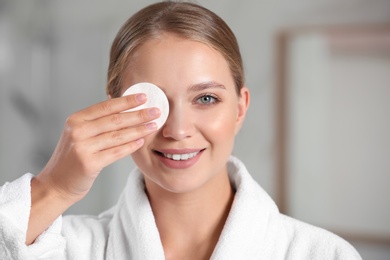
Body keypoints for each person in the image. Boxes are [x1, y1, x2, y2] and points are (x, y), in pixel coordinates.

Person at [0, 1, 361, 259]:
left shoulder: (321, 253)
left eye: (205, 98)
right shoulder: (67, 248)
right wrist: (55, 188)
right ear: (114, 109)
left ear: (240, 107)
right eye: (150, 102)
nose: (177, 129)